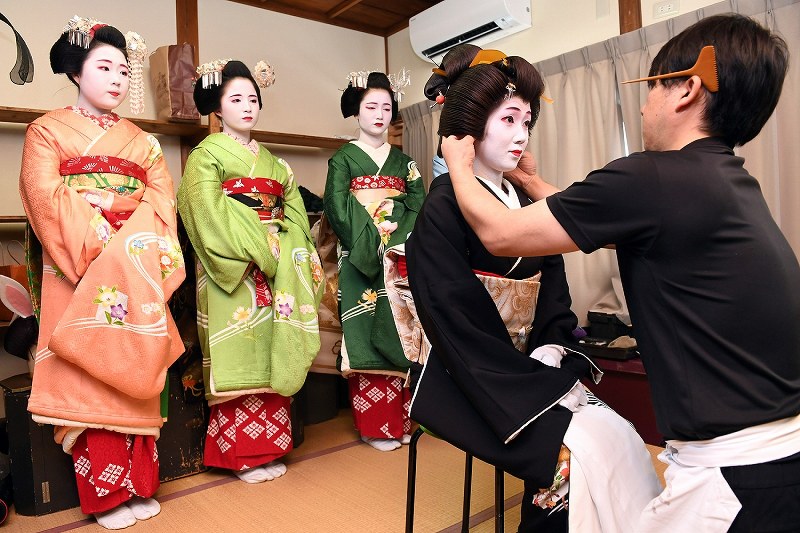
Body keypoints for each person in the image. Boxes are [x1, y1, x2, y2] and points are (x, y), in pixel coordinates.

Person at [443, 14, 800, 532]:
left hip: (739, 473)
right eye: (508, 120)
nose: (643, 104)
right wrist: (533, 182)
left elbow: (500, 233)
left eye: (651, 87)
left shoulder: (651, 177)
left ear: (687, 90)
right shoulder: (727, 182)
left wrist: (456, 161)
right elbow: (600, 223)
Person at [399, 44, 660, 532]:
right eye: (508, 119)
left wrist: (552, 346)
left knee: (621, 436)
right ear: (469, 126)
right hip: (469, 374)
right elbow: (455, 320)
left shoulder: (521, 197)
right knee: (571, 463)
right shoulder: (442, 209)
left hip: (531, 366)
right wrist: (529, 382)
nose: (521, 135)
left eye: (527, 122)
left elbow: (553, 288)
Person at [18, 16, 185, 530]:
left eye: (123, 70)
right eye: (104, 66)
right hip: (76, 265)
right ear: (76, 70)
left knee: (135, 368)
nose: (116, 78)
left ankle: (139, 484)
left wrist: (123, 226)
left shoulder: (144, 142)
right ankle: (105, 493)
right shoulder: (46, 130)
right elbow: (43, 196)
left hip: (135, 259)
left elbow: (162, 200)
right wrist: (100, 239)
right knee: (89, 373)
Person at [177, 59, 324, 484]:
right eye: (236, 98)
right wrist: (262, 246)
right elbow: (204, 210)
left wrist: (285, 247)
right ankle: (241, 456)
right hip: (233, 267)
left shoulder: (277, 164)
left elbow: (295, 215)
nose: (247, 106)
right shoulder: (205, 156)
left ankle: (270, 449)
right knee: (238, 349)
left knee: (274, 348)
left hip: (278, 264)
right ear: (217, 106)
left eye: (253, 99)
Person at [323, 70, 425, 451]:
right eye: (371, 107)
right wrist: (371, 239)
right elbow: (337, 206)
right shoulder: (343, 160)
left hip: (398, 254)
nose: (380, 114)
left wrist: (396, 239)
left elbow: (418, 204)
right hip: (359, 255)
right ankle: (375, 427)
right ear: (356, 111)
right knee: (364, 331)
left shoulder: (405, 163)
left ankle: (402, 420)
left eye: (386, 107)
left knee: (402, 329)